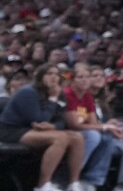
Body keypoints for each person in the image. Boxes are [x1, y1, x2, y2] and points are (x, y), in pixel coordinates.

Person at [0, 62, 88, 191]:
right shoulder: (28, 92)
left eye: (57, 74)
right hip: (13, 131)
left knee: (77, 137)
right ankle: (43, 185)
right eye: (49, 74)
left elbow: (62, 121)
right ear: (41, 76)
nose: (54, 77)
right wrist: (53, 99)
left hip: (36, 130)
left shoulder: (60, 94)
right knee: (61, 138)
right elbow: (38, 119)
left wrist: (53, 126)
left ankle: (73, 183)